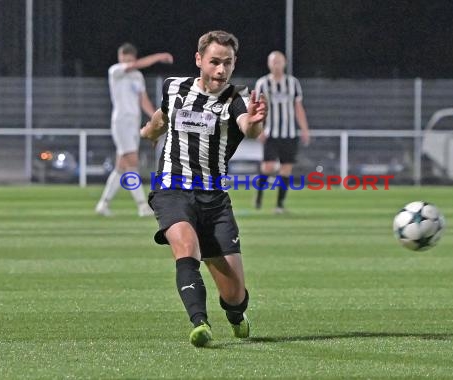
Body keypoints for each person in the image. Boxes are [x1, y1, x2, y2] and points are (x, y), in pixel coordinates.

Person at [140, 30, 267, 347]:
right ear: (199, 60)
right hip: (172, 189)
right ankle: (200, 323)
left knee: (235, 295)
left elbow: (248, 129)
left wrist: (255, 121)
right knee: (186, 248)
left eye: (228, 63)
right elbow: (161, 117)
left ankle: (236, 314)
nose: (221, 70)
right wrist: (149, 131)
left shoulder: (236, 100)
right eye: (214, 62)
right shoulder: (175, 88)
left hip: (214, 200)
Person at [95, 43, 173, 217]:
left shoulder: (137, 77)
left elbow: (143, 100)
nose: (127, 62)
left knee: (121, 167)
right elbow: (134, 66)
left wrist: (156, 117)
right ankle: (142, 206)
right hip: (121, 122)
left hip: (133, 123)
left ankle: (103, 204)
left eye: (129, 59)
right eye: (123, 58)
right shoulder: (115, 71)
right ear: (120, 58)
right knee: (132, 163)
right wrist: (159, 56)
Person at [254, 51, 310, 213]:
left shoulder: (293, 83)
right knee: (268, 167)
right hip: (271, 133)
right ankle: (259, 195)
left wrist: (305, 129)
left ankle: (279, 205)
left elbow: (298, 108)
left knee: (286, 169)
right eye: (273, 62)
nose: (276, 65)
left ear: (284, 63)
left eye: (279, 61)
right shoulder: (262, 83)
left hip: (290, 134)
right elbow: (257, 108)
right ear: (269, 64)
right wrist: (259, 129)